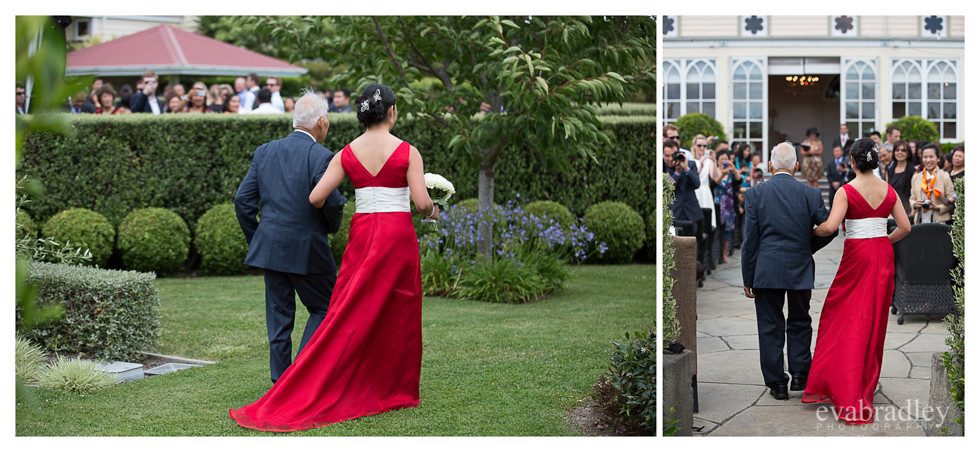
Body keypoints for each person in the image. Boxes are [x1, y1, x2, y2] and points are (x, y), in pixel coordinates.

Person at [230, 83, 433, 432]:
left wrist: (261, 237)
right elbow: (420, 204)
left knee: (331, 311)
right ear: (393, 112)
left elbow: (310, 197)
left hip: (356, 234)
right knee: (390, 307)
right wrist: (433, 206)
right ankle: (379, 383)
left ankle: (287, 379)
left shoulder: (341, 153)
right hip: (393, 236)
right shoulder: (407, 151)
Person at [231, 89, 348, 392]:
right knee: (326, 307)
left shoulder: (265, 151)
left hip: (270, 249)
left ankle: (280, 382)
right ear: (321, 122)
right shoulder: (322, 156)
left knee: (279, 316)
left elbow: (242, 201)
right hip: (308, 248)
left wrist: (259, 237)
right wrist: (331, 227)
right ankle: (298, 375)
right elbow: (333, 204)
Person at [803, 137, 911, 425]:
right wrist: (882, 241)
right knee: (873, 321)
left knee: (843, 316)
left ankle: (844, 387)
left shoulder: (846, 190)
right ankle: (864, 384)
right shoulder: (887, 189)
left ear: (851, 161)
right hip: (882, 255)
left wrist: (807, 230)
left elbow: (829, 226)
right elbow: (906, 226)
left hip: (858, 255)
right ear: (875, 161)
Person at [741, 141, 837, 401]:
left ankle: (777, 384)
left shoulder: (754, 194)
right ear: (796, 166)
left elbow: (750, 240)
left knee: (770, 325)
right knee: (800, 321)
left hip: (766, 270)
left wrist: (748, 277)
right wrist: (808, 247)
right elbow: (830, 228)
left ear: (770, 166)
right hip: (800, 267)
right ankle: (800, 375)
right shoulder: (811, 194)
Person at [910, 144, 955, 224]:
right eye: (925, 157)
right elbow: (912, 198)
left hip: (939, 221)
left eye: (931, 157)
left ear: (938, 159)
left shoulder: (945, 176)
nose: (928, 160)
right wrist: (915, 204)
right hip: (920, 220)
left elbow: (951, 201)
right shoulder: (916, 177)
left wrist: (937, 207)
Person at [712, 150, 742, 263]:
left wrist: (733, 169)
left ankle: (724, 253)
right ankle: (717, 254)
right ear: (718, 161)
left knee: (728, 230)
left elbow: (739, 181)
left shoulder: (731, 173)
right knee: (718, 230)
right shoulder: (715, 171)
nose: (723, 161)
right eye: (721, 159)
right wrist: (722, 174)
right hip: (718, 204)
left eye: (726, 159)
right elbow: (713, 184)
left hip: (729, 205)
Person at [669, 146, 703, 238]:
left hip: (691, 212)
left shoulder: (691, 164)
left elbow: (696, 184)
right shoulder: (667, 166)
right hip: (674, 211)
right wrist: (677, 173)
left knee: (692, 243)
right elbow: (666, 189)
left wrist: (686, 168)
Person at [887, 141, 914, 216]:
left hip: (907, 209)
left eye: (903, 150)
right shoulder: (889, 170)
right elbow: (887, 191)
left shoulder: (913, 171)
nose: (900, 152)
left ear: (908, 153)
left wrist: (912, 213)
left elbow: (915, 194)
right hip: (892, 209)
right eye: (897, 150)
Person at [825, 142, 849, 211]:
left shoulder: (846, 162)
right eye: (835, 151)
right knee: (832, 208)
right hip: (832, 189)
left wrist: (839, 182)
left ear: (842, 152)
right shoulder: (830, 164)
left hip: (843, 187)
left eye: (838, 151)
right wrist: (833, 183)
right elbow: (828, 175)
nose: (836, 153)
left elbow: (847, 175)